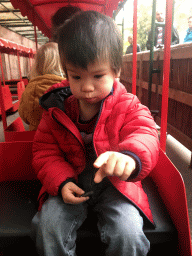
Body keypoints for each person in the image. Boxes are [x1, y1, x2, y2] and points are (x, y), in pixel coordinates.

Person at [32, 11, 160, 256]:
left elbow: (145, 132)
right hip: (72, 184)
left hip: (117, 186)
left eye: (98, 76)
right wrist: (62, 182)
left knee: (128, 233)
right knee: (47, 227)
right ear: (66, 72)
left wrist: (130, 156)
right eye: (76, 76)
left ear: (116, 71)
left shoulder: (129, 105)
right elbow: (44, 151)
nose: (87, 86)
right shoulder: (55, 111)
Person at [18, 42, 64, 131]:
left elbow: (24, 115)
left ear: (37, 65)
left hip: (36, 137)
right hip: (66, 138)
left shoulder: (30, 88)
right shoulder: (69, 86)